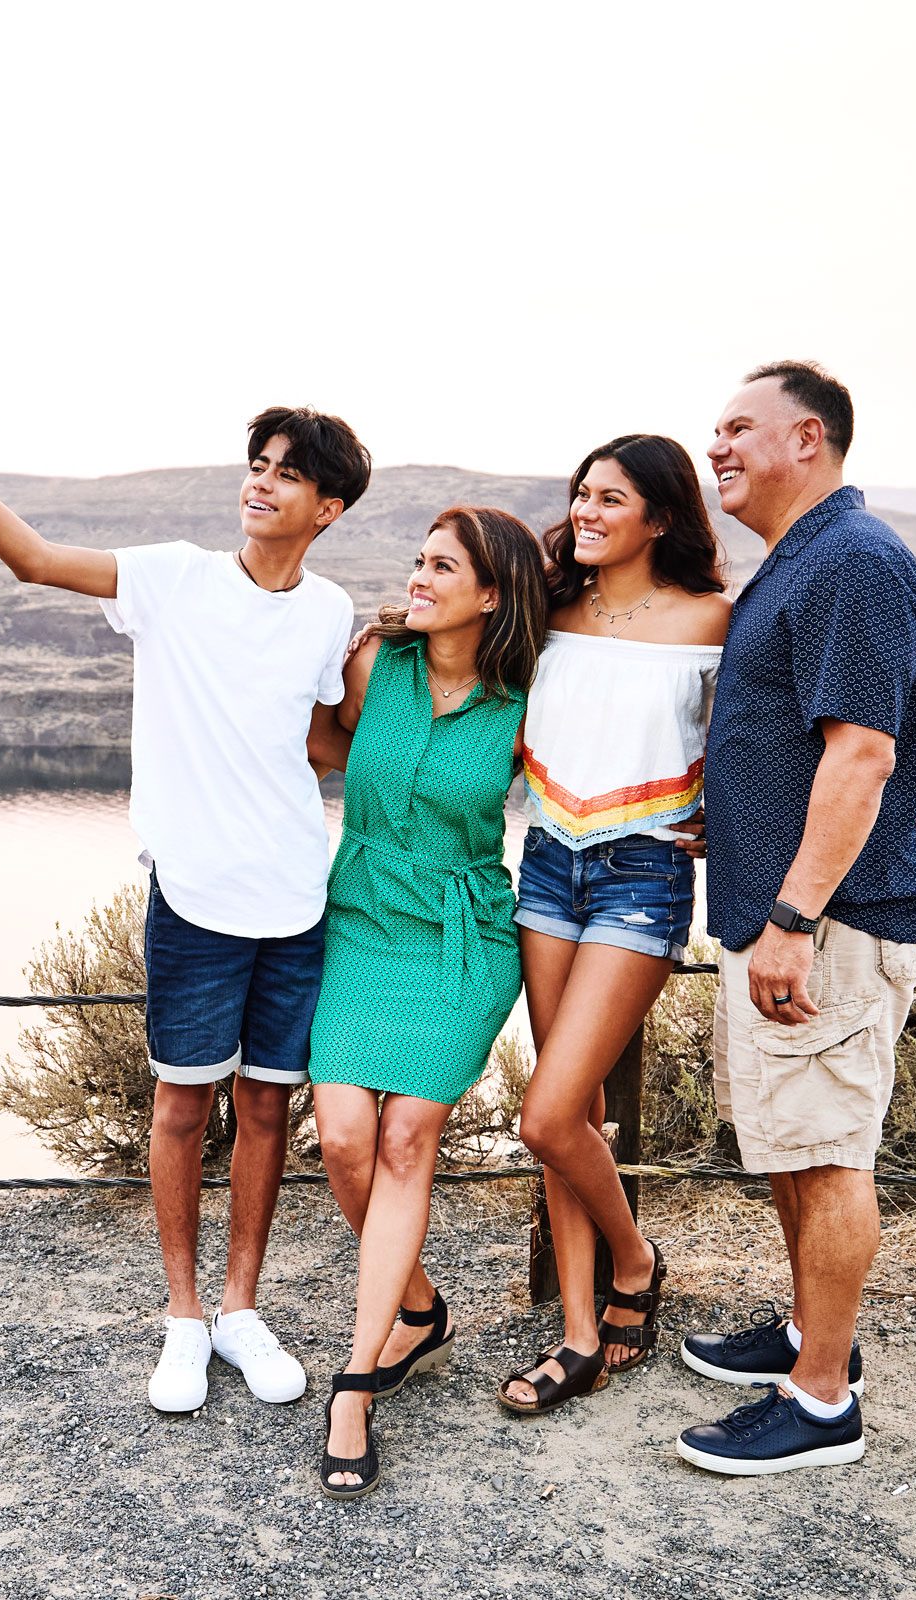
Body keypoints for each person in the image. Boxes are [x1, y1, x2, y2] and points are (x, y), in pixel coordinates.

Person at [0, 375, 371, 1414]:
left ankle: (240, 1309)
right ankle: (181, 1317)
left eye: (287, 475)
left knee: (267, 1107)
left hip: (295, 899)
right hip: (197, 900)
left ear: (329, 508)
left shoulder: (331, 610)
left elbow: (322, 739)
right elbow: (36, 560)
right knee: (183, 1105)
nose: (261, 486)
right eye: (256, 467)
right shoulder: (175, 579)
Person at [674, 360, 916, 1475]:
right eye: (714, 431)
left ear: (811, 440)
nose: (718, 448)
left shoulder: (853, 564)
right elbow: (797, 744)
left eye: (740, 428)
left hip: (825, 922)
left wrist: (790, 913)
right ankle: (804, 1332)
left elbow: (863, 753)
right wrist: (733, 821)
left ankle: (822, 1400)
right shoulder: (804, 562)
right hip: (785, 910)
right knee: (794, 1140)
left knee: (830, 1151)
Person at [305, 506, 549, 1498]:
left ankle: (355, 1383)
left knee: (408, 1135)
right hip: (360, 918)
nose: (417, 576)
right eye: (418, 560)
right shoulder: (374, 669)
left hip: (461, 933)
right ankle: (414, 1306)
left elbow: (588, 792)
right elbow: (317, 742)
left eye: (439, 565)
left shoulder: (524, 702)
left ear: (489, 594)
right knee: (346, 1139)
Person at [499, 436, 730, 1415]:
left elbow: (764, 735)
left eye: (611, 498)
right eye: (580, 495)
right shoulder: (547, 611)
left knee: (546, 1113)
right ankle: (582, 1335)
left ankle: (635, 1262)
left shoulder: (712, 618)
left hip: (642, 872)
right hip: (548, 858)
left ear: (662, 517)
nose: (586, 511)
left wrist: (731, 808)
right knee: (573, 1119)